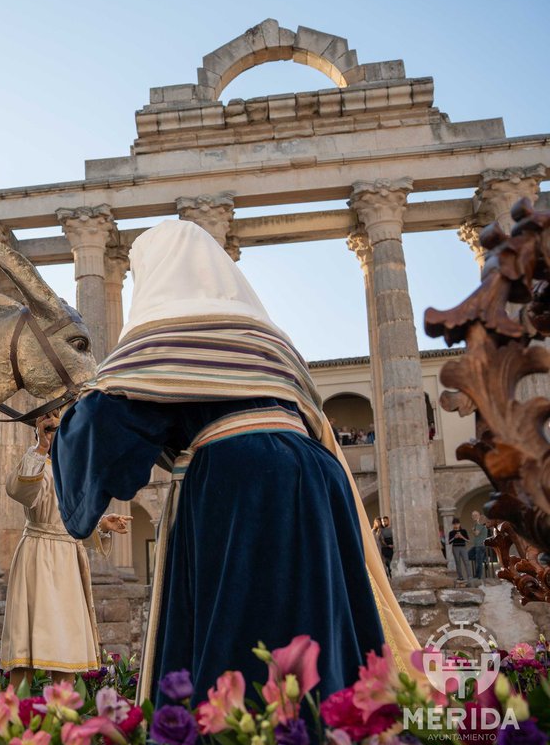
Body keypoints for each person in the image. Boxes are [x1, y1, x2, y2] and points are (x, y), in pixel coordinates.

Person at [51, 219, 418, 706]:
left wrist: (72, 413)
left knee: (243, 626)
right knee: (317, 621)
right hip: (317, 478)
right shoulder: (271, 341)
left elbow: (106, 423)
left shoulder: (167, 333)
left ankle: (243, 741)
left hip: (239, 479)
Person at [1, 412, 130, 690]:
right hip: (37, 555)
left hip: (68, 560)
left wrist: (101, 524)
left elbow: (76, 518)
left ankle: (62, 721)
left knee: (65, 647)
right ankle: (12, 719)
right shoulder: (35, 461)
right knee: (26, 645)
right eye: (52, 430)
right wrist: (41, 447)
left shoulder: (76, 471)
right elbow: (19, 491)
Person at [448, 517, 471, 585]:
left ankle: (469, 576)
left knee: (466, 561)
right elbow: (449, 542)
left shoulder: (463, 531)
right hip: (455, 548)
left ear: (459, 524)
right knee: (458, 562)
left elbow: (468, 540)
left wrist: (462, 537)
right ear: (453, 525)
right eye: (454, 524)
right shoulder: (451, 532)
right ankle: (460, 577)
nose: (456, 525)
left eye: (457, 524)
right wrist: (454, 537)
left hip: (463, 547)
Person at [469, 510, 490, 581]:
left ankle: (477, 576)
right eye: (473, 515)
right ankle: (484, 558)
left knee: (478, 562)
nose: (474, 516)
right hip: (476, 546)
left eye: (476, 515)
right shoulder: (476, 524)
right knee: (468, 555)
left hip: (480, 546)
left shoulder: (480, 524)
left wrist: (472, 530)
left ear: (479, 516)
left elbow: (476, 533)